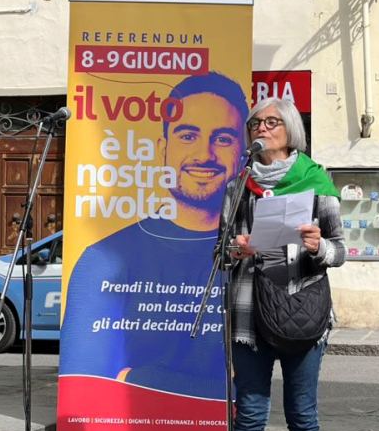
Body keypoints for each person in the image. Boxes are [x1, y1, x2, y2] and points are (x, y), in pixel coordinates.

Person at [59, 71, 249, 399]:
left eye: (222, 138)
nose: (205, 154)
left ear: (243, 153)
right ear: (163, 149)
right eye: (188, 136)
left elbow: (247, 391)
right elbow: (84, 389)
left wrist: (135, 377)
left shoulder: (248, 251)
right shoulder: (102, 260)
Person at [221, 98, 345, 431]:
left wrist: (316, 246)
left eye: (271, 121)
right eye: (255, 122)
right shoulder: (238, 186)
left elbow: (341, 250)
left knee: (302, 415)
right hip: (248, 316)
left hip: (302, 310)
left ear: (291, 129)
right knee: (251, 414)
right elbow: (218, 254)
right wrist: (236, 249)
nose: (261, 128)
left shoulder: (317, 182)